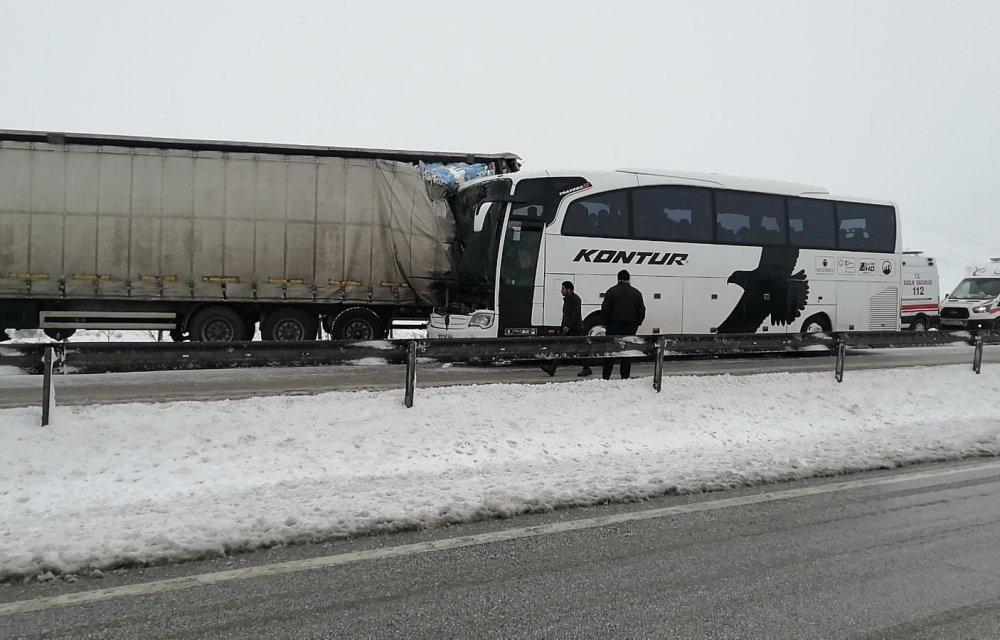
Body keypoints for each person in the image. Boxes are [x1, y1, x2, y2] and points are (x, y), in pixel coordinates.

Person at [600, 269, 646, 380]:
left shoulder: (611, 291)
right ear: (629, 279)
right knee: (627, 353)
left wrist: (607, 324)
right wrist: (636, 325)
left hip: (613, 326)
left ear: (618, 278)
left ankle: (606, 377)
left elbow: (605, 310)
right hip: (630, 327)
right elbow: (642, 312)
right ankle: (625, 377)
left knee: (610, 352)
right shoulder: (637, 293)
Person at [540, 281, 592, 377]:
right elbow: (566, 315)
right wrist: (562, 327)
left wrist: (568, 326)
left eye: (563, 289)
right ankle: (553, 368)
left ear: (568, 289)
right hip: (570, 328)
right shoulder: (569, 300)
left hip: (575, 329)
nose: (561, 291)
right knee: (566, 348)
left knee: (571, 348)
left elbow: (575, 314)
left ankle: (553, 368)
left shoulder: (575, 299)